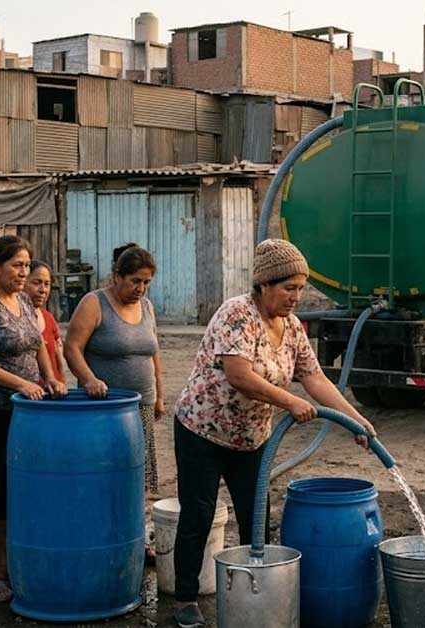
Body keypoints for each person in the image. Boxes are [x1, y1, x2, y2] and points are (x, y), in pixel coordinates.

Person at [169, 239, 377, 628]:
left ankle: (254, 595)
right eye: (289, 288)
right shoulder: (237, 314)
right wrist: (290, 402)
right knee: (199, 513)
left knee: (256, 518)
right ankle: (185, 597)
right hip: (203, 430)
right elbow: (239, 376)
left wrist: (354, 420)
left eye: (300, 288)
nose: (296, 297)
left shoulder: (293, 327)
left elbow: (315, 378)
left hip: (251, 439)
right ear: (264, 284)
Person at [0, 236, 67, 602]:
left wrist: (49, 377)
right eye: (16, 265)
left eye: (26, 265)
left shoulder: (21, 300)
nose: (23, 272)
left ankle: (5, 563)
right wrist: (20, 382)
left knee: (12, 488)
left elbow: (38, 344)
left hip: (24, 411)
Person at [64, 243, 163, 497]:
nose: (141, 288)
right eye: (135, 281)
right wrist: (89, 379)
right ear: (117, 276)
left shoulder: (147, 307)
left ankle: (133, 519)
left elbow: (153, 353)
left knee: (137, 478)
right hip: (104, 407)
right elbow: (72, 348)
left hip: (141, 406)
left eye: (146, 282)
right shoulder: (94, 303)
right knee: (103, 472)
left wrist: (159, 396)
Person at [23, 260, 64, 384]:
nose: (43, 290)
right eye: (36, 283)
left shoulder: (48, 318)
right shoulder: (13, 319)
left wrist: (62, 383)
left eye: (47, 284)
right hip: (27, 391)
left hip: (53, 390)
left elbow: (59, 360)